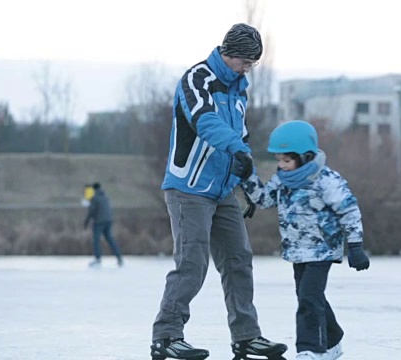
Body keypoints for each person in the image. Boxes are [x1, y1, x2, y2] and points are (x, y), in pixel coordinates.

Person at [150, 23, 287, 360]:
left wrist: (251, 186)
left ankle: (246, 337)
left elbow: (242, 140)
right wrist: (237, 150)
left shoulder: (239, 89)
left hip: (222, 191)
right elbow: (206, 122)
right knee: (193, 262)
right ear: (231, 53)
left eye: (253, 64)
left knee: (239, 260)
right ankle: (166, 336)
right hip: (189, 188)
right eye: (246, 61)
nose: (248, 68)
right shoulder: (197, 79)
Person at [241, 120, 370, 360]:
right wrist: (246, 175)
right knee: (309, 295)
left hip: (322, 250)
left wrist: (355, 245)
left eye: (286, 160)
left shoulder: (327, 180)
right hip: (297, 250)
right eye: (279, 160)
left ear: (306, 156)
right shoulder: (282, 179)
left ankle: (311, 349)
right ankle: (333, 339)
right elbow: (265, 200)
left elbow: (349, 211)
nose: (282, 165)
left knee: (309, 298)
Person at [83, 182, 123, 267]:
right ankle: (119, 257)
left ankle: (98, 259)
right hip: (108, 221)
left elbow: (91, 211)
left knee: (96, 241)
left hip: (99, 222)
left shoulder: (95, 198)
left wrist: (86, 221)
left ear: (93, 189)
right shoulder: (105, 197)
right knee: (110, 239)